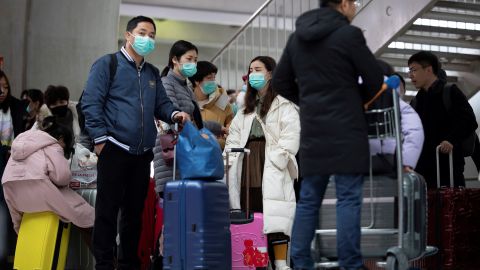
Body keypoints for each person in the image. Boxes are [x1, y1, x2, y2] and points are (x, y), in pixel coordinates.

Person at [271, 0, 384, 269]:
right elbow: (374, 77)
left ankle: (299, 262)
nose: (355, 6)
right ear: (343, 4)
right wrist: (356, 101)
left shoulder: (297, 38)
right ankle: (349, 264)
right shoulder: (349, 34)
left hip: (313, 130)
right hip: (347, 129)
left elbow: (280, 81)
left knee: (309, 199)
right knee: (347, 199)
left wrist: (308, 101)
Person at [82, 16, 189, 270]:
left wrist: (174, 114)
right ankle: (105, 265)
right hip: (113, 149)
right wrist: (100, 141)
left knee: (134, 214)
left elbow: (161, 104)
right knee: (107, 212)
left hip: (142, 155)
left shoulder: (152, 73)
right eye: (143, 33)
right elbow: (90, 102)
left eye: (152, 35)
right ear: (129, 35)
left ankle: (129, 264)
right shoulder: (108, 64)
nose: (148, 39)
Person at [226, 56, 300, 270]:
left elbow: (291, 136)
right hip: (247, 164)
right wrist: (231, 157)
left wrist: (278, 157)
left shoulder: (285, 105)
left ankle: (280, 264)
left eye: (258, 69)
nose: (253, 74)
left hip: (272, 164)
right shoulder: (245, 109)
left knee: (276, 218)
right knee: (253, 217)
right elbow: (233, 137)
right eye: (250, 70)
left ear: (270, 73)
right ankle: (258, 264)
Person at [1, 116, 93, 234]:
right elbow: (61, 177)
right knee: (82, 211)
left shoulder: (20, 143)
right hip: (39, 190)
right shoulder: (53, 144)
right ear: (61, 138)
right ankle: (103, 246)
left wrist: (17, 226)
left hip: (12, 191)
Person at [408, 51, 477, 188]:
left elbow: (469, 120)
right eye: (409, 71)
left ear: (428, 70)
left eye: (414, 70)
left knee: (452, 207)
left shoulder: (450, 92)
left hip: (449, 166)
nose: (410, 75)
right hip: (423, 169)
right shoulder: (416, 102)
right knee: (427, 208)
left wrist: (451, 139)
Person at [368, 60, 424, 173]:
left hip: (357, 159)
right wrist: (406, 161)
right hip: (390, 159)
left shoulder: (354, 96)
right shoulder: (397, 103)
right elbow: (414, 131)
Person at [190, 61, 234, 149]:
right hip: (191, 153)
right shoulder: (186, 101)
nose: (213, 81)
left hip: (217, 152)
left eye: (214, 77)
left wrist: (226, 136)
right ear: (197, 81)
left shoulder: (222, 100)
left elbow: (231, 124)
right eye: (209, 78)